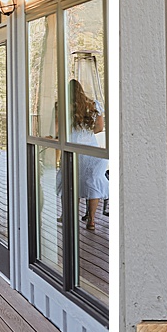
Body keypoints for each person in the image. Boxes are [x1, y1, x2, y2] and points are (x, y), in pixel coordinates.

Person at [69, 79, 108, 230]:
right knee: (93, 182)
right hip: (91, 148)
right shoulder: (93, 105)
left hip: (73, 146)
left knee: (72, 182)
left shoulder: (66, 106)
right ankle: (91, 220)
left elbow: (58, 129)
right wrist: (86, 134)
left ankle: (69, 216)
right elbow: (99, 127)